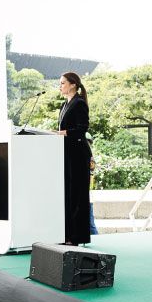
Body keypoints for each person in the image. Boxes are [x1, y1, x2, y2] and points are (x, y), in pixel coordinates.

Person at [58, 72, 92, 245]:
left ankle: (77, 236)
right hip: (67, 153)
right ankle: (68, 235)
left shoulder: (79, 103)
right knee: (69, 194)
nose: (60, 86)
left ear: (73, 84)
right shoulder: (65, 104)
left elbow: (82, 129)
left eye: (63, 83)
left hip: (78, 154)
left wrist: (62, 133)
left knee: (78, 195)